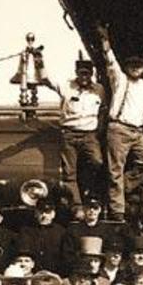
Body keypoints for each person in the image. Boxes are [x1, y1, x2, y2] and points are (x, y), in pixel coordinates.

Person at [97, 24, 143, 221]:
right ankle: (117, 211)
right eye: (132, 65)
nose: (136, 68)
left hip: (136, 132)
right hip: (118, 129)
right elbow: (110, 61)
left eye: (139, 66)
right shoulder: (120, 80)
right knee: (115, 169)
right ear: (127, 68)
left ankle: (121, 187)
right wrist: (105, 41)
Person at [48, 57, 105, 208]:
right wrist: (39, 61)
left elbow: (103, 110)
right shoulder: (67, 86)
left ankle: (87, 189)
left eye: (87, 74)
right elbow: (46, 79)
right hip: (69, 134)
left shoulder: (99, 89)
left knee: (97, 162)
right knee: (69, 172)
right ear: (76, 73)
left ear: (92, 74)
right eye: (82, 73)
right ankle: (77, 204)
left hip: (89, 135)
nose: (84, 77)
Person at [18, 199, 69, 276]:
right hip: (32, 274)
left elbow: (65, 256)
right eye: (41, 212)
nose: (44, 215)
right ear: (35, 213)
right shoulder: (26, 231)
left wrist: (63, 275)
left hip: (55, 274)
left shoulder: (61, 232)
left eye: (47, 212)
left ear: (53, 214)